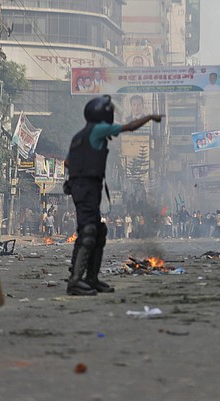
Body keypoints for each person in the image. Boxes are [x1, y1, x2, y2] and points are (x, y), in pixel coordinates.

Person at [64, 95, 162, 295]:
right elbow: (130, 127)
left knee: (98, 231)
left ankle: (91, 278)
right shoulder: (99, 129)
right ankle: (75, 281)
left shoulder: (79, 136)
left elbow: (67, 162)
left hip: (83, 187)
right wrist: (150, 116)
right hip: (86, 188)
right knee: (89, 231)